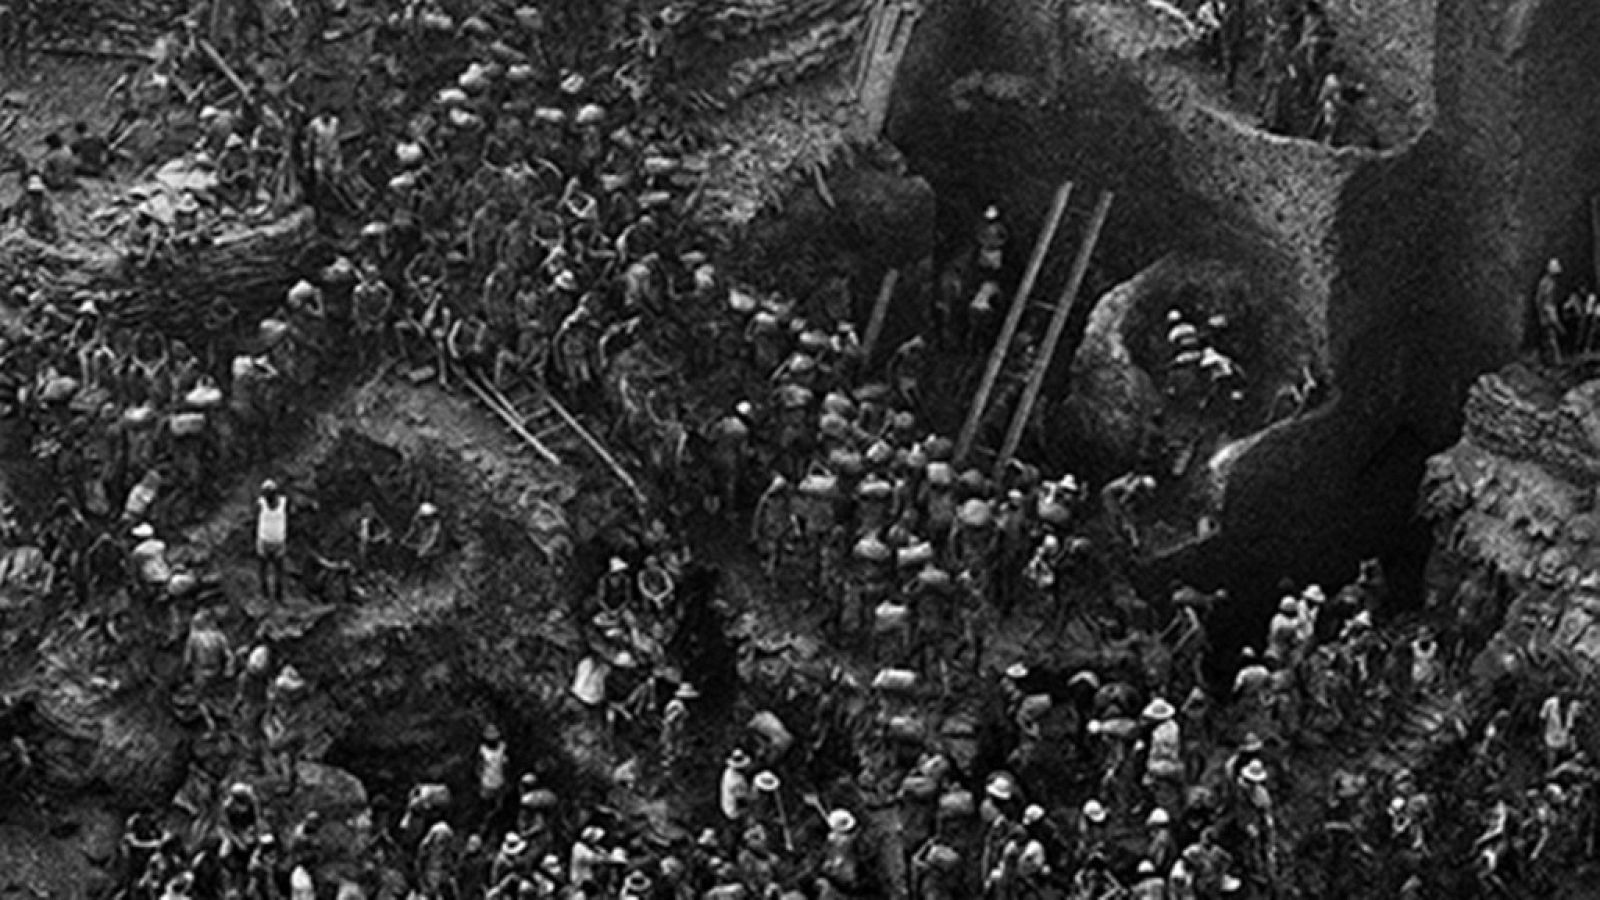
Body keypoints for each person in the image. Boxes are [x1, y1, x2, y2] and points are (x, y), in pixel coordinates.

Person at [256, 479, 288, 602]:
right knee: (263, 570)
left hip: (278, 541)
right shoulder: (261, 504)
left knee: (278, 571)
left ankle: (278, 595)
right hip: (264, 541)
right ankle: (265, 595)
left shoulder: (284, 502)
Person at [1537, 259, 1565, 364]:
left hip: (1548, 311)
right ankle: (1555, 362)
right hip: (1547, 312)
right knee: (1551, 337)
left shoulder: (1548, 282)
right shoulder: (1547, 284)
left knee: (1551, 337)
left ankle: (1555, 361)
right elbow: (1543, 301)